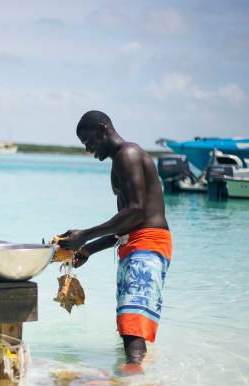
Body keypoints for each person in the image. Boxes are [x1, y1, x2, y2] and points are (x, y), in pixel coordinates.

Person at [58, 110, 172, 371]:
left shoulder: (127, 154)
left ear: (102, 130)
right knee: (129, 318)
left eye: (89, 142)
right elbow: (128, 223)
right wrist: (88, 248)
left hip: (148, 243)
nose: (88, 149)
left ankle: (130, 384)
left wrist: (86, 234)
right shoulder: (119, 160)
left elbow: (137, 211)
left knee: (132, 321)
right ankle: (139, 374)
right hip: (135, 242)